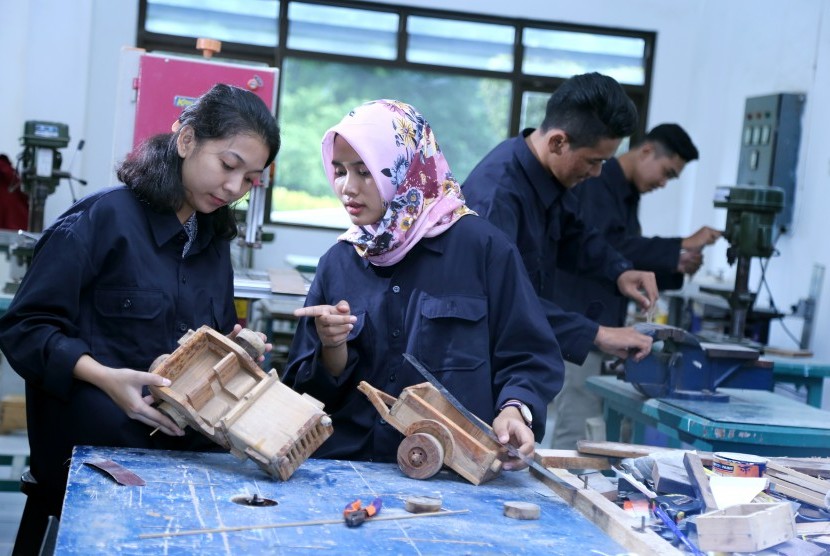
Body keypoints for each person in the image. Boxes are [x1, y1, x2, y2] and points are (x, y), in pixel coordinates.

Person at [0, 83, 280, 554]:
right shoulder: (101, 221)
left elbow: (205, 339)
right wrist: (106, 378)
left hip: (177, 478)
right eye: (229, 165)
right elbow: (25, 329)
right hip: (89, 477)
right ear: (187, 140)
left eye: (250, 179)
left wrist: (234, 353)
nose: (234, 188)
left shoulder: (213, 244)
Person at [284, 99, 564, 471]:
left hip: (453, 473)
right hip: (350, 468)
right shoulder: (339, 262)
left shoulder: (482, 249)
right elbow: (307, 396)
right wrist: (331, 350)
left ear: (407, 167)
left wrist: (516, 408)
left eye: (364, 171)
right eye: (339, 170)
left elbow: (529, 353)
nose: (347, 188)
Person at [549, 123, 721, 449]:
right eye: (667, 172)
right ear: (646, 151)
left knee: (594, 431)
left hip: (599, 330)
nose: (663, 182)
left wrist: (676, 265)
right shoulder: (597, 183)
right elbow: (606, 249)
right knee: (577, 429)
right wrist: (679, 245)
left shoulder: (626, 194)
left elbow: (624, 254)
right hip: (579, 329)